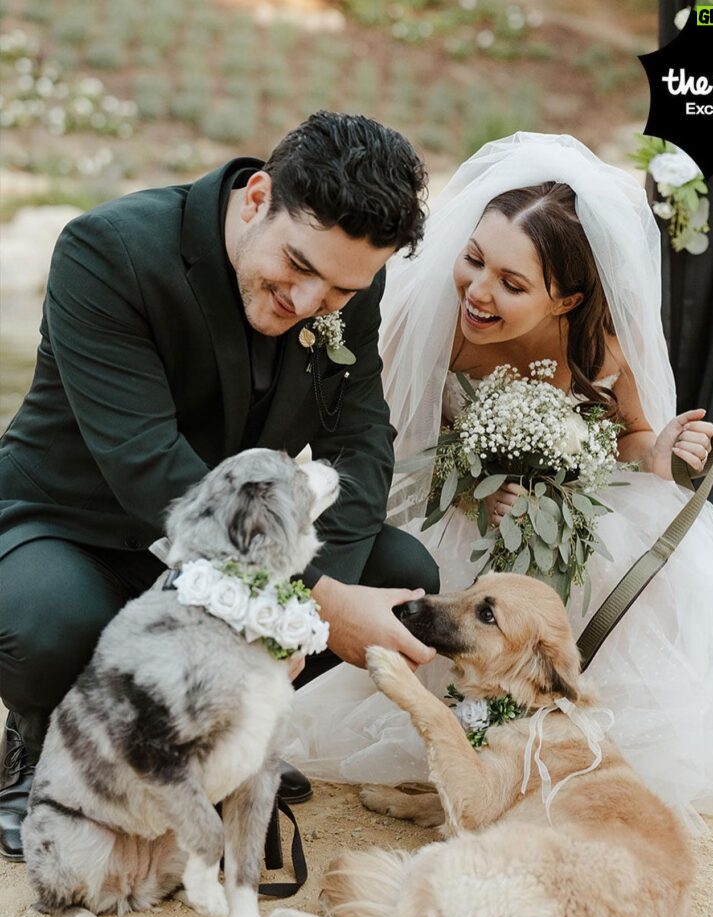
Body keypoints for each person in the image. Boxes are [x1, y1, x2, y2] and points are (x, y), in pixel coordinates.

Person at [284, 133, 713, 833]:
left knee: (629, 545)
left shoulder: (596, 345)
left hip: (562, 503)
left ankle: (556, 720)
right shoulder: (435, 328)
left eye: (511, 284)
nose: (478, 290)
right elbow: (383, 446)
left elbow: (628, 436)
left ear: (566, 297)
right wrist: (472, 490)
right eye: (473, 260)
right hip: (445, 500)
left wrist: (657, 454)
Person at [0, 111, 442, 862]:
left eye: (337, 291)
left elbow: (361, 442)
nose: (307, 303)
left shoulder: (344, 285)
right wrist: (314, 609)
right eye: (296, 268)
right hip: (76, 531)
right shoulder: (108, 250)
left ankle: (214, 742)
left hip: (233, 541)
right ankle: (44, 745)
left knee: (403, 575)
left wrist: (309, 595)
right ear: (255, 197)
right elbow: (148, 464)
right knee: (53, 623)